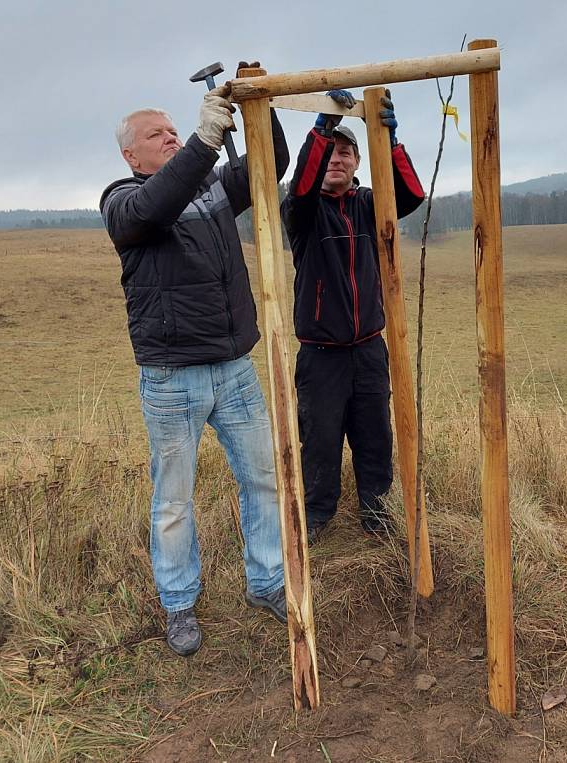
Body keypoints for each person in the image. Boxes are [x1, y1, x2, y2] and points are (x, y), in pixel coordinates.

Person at [100, 70, 289, 657]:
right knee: (174, 501)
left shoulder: (208, 186)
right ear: (131, 152)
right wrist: (207, 139)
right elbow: (157, 206)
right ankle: (179, 605)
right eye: (160, 134)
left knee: (263, 479)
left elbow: (269, 163)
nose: (173, 138)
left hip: (234, 369)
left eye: (177, 130)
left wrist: (260, 104)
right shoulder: (123, 201)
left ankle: (268, 582)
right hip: (172, 379)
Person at [281, 89, 425, 544]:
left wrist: (391, 141)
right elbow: (302, 183)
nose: (337, 160)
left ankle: (376, 512)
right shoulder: (302, 211)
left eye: (347, 152)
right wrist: (322, 128)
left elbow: (412, 195)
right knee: (320, 439)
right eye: (331, 153)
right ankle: (318, 515)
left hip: (367, 350)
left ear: (360, 162)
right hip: (320, 355)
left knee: (374, 436)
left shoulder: (369, 204)